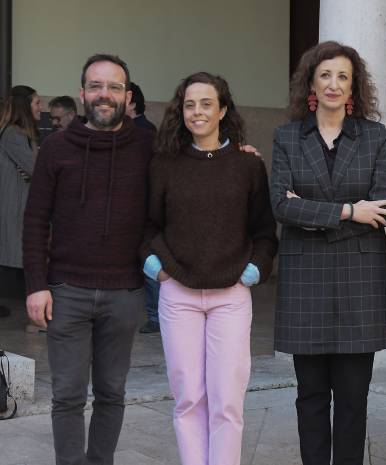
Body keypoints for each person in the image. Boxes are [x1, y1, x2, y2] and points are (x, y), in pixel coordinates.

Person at [23, 54, 154, 465]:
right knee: (67, 396)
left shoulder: (149, 148)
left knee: (113, 394)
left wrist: (239, 148)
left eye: (114, 87)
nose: (104, 94)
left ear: (127, 95)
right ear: (82, 92)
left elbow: (198, 163)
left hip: (126, 293)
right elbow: (35, 219)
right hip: (66, 292)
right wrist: (35, 286)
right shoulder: (55, 147)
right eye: (96, 86)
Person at [142, 71, 278, 465]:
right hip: (178, 292)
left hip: (231, 296)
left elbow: (265, 231)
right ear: (180, 111)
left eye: (206, 103)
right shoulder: (165, 164)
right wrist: (157, 268)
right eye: (189, 104)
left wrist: (253, 269)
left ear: (222, 110)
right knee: (188, 398)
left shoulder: (247, 166)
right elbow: (148, 226)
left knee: (227, 400)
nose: (197, 111)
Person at [270, 41, 386, 465]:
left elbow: (383, 211)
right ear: (311, 82)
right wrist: (348, 211)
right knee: (309, 398)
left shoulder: (374, 136)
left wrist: (312, 216)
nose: (334, 84)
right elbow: (281, 206)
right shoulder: (287, 136)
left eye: (343, 76)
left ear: (354, 86)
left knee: (353, 401)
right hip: (305, 284)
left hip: (360, 283)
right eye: (325, 75)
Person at [0, 85, 40, 319]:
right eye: (36, 102)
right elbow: (37, 169)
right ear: (26, 106)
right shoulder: (14, 134)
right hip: (12, 206)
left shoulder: (16, 133)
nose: (40, 107)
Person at [126, 81, 160, 334]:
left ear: (132, 102)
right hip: (136, 206)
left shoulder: (144, 132)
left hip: (144, 208)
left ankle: (156, 316)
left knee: (149, 261)